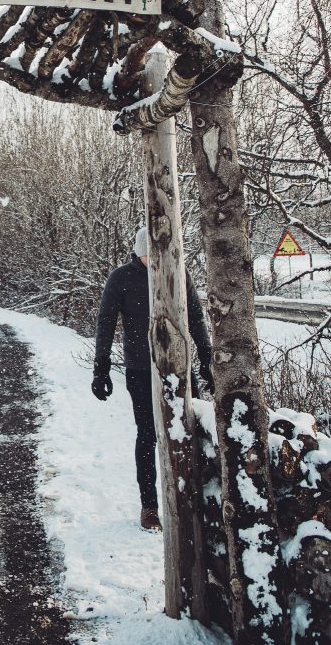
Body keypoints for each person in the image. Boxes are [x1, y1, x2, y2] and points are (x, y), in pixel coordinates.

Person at [91, 227, 214, 533]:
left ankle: (194, 502)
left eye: (160, 254)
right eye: (150, 254)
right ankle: (149, 507)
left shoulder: (178, 272)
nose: (156, 259)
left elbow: (197, 318)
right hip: (141, 370)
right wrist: (101, 368)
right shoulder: (122, 278)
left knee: (191, 433)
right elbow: (105, 323)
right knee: (148, 436)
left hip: (180, 368)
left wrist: (208, 362)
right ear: (139, 252)